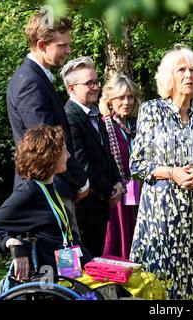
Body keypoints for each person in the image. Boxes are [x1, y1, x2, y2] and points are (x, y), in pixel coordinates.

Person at [129, 44, 193, 299]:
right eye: (181, 69)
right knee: (162, 284)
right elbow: (137, 164)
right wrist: (172, 173)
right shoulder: (151, 110)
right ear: (168, 77)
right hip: (161, 217)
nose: (188, 75)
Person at [6, 12, 89, 240]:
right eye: (63, 45)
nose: (68, 50)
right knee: (61, 265)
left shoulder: (35, 78)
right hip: (44, 192)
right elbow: (49, 145)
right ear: (41, 45)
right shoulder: (29, 83)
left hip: (52, 187)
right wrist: (81, 181)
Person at [0, 125, 92, 282]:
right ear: (50, 156)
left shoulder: (50, 186)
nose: (69, 155)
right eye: (64, 150)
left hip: (69, 270)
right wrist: (12, 243)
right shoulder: (28, 193)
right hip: (50, 279)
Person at [60, 56, 123, 258]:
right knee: (83, 265)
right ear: (72, 88)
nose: (96, 87)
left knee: (95, 259)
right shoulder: (69, 117)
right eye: (89, 83)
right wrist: (108, 191)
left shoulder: (96, 114)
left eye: (96, 81)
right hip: (84, 207)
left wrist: (118, 183)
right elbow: (80, 162)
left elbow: (107, 154)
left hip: (100, 205)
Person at [98, 73, 141, 259]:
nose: (126, 102)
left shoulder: (137, 126)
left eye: (130, 96)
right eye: (121, 97)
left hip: (139, 196)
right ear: (109, 100)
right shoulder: (105, 126)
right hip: (116, 199)